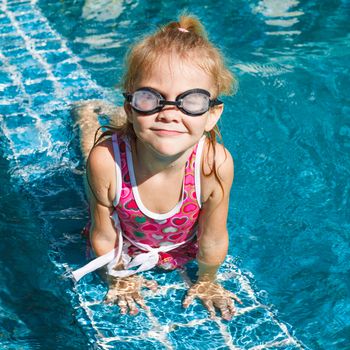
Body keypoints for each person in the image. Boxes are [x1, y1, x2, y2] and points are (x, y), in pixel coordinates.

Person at [72, 15, 242, 320]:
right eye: (150, 99)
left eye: (191, 101)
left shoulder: (214, 164)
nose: (169, 114)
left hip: (180, 247)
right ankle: (85, 115)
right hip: (127, 227)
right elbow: (103, 236)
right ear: (130, 106)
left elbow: (214, 237)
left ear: (212, 114)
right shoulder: (106, 162)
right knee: (90, 152)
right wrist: (118, 277)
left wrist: (207, 281)